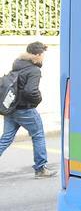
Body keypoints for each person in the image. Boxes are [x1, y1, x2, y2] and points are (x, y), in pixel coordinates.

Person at [0, 41, 55, 178]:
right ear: (37, 55)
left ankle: (41, 168)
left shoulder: (18, 64)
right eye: (42, 54)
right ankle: (41, 168)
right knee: (38, 135)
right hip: (25, 110)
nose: (43, 57)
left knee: (6, 138)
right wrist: (38, 100)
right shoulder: (34, 70)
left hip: (11, 108)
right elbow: (31, 91)